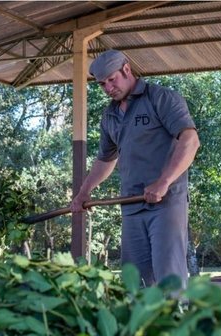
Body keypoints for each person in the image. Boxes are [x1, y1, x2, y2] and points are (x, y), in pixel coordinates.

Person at [71, 49, 200, 288]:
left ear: (127, 70)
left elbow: (190, 140)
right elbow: (105, 160)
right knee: (136, 284)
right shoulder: (109, 115)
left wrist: (164, 181)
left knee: (169, 282)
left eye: (112, 80)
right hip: (130, 205)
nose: (108, 88)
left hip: (165, 204)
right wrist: (84, 192)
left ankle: (177, 322)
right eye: (102, 84)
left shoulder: (161, 98)